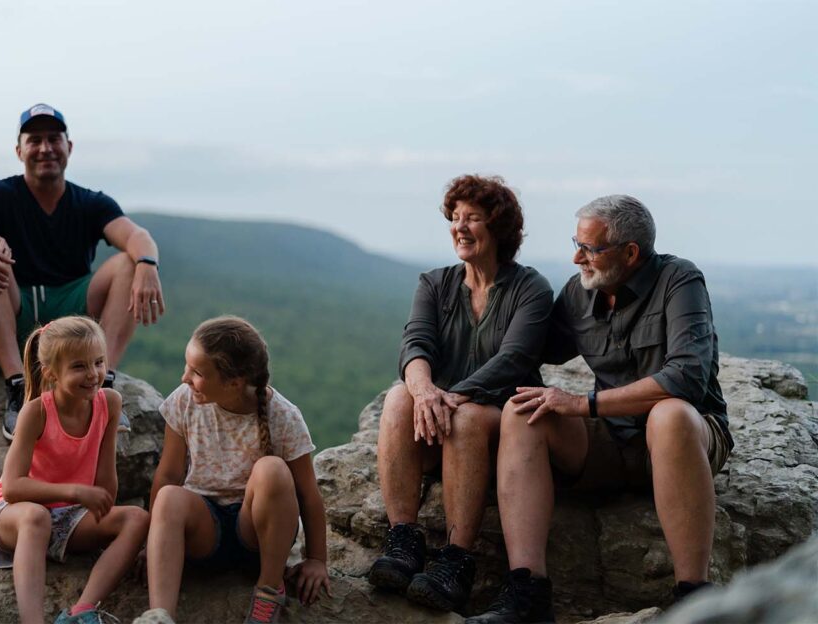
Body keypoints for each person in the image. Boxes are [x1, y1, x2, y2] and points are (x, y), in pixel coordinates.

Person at [468, 195, 733, 624]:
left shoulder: (679, 281)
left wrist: (584, 404)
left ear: (630, 253)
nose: (576, 257)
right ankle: (527, 592)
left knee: (670, 415)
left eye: (589, 248)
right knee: (523, 410)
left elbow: (686, 378)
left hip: (687, 438)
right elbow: (527, 349)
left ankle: (693, 597)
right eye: (576, 243)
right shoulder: (578, 293)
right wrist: (484, 292)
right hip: (612, 441)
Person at [366, 175, 553, 613]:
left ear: (499, 227)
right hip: (440, 417)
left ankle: (457, 560)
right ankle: (403, 542)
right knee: (398, 399)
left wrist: (449, 397)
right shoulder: (435, 283)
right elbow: (415, 345)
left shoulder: (531, 288)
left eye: (472, 218)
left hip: (498, 420)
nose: (460, 227)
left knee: (466, 418)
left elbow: (513, 358)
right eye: (454, 218)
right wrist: (424, 390)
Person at [0, 103, 165, 439]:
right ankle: (18, 386)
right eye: (35, 140)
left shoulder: (90, 202)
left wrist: (147, 264)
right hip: (15, 310)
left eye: (54, 139)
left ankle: (103, 383)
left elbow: (135, 235)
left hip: (73, 319)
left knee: (130, 263)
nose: (45, 148)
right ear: (19, 151)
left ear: (68, 148)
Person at [145, 316, 331, 624]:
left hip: (258, 539)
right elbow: (168, 474)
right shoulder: (184, 402)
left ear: (234, 383)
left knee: (271, 470)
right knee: (168, 496)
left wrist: (316, 559)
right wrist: (150, 543)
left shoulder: (283, 416)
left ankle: (269, 591)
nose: (184, 378)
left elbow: (308, 495)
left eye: (196, 372)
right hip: (204, 535)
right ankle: (160, 616)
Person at [0, 316, 150, 624]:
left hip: (70, 518)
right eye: (79, 366)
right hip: (18, 515)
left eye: (99, 362)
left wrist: (95, 497)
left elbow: (106, 488)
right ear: (51, 373)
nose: (93, 374)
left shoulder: (109, 403)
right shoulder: (36, 411)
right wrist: (72, 491)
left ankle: (82, 611)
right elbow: (14, 486)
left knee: (137, 519)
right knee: (36, 516)